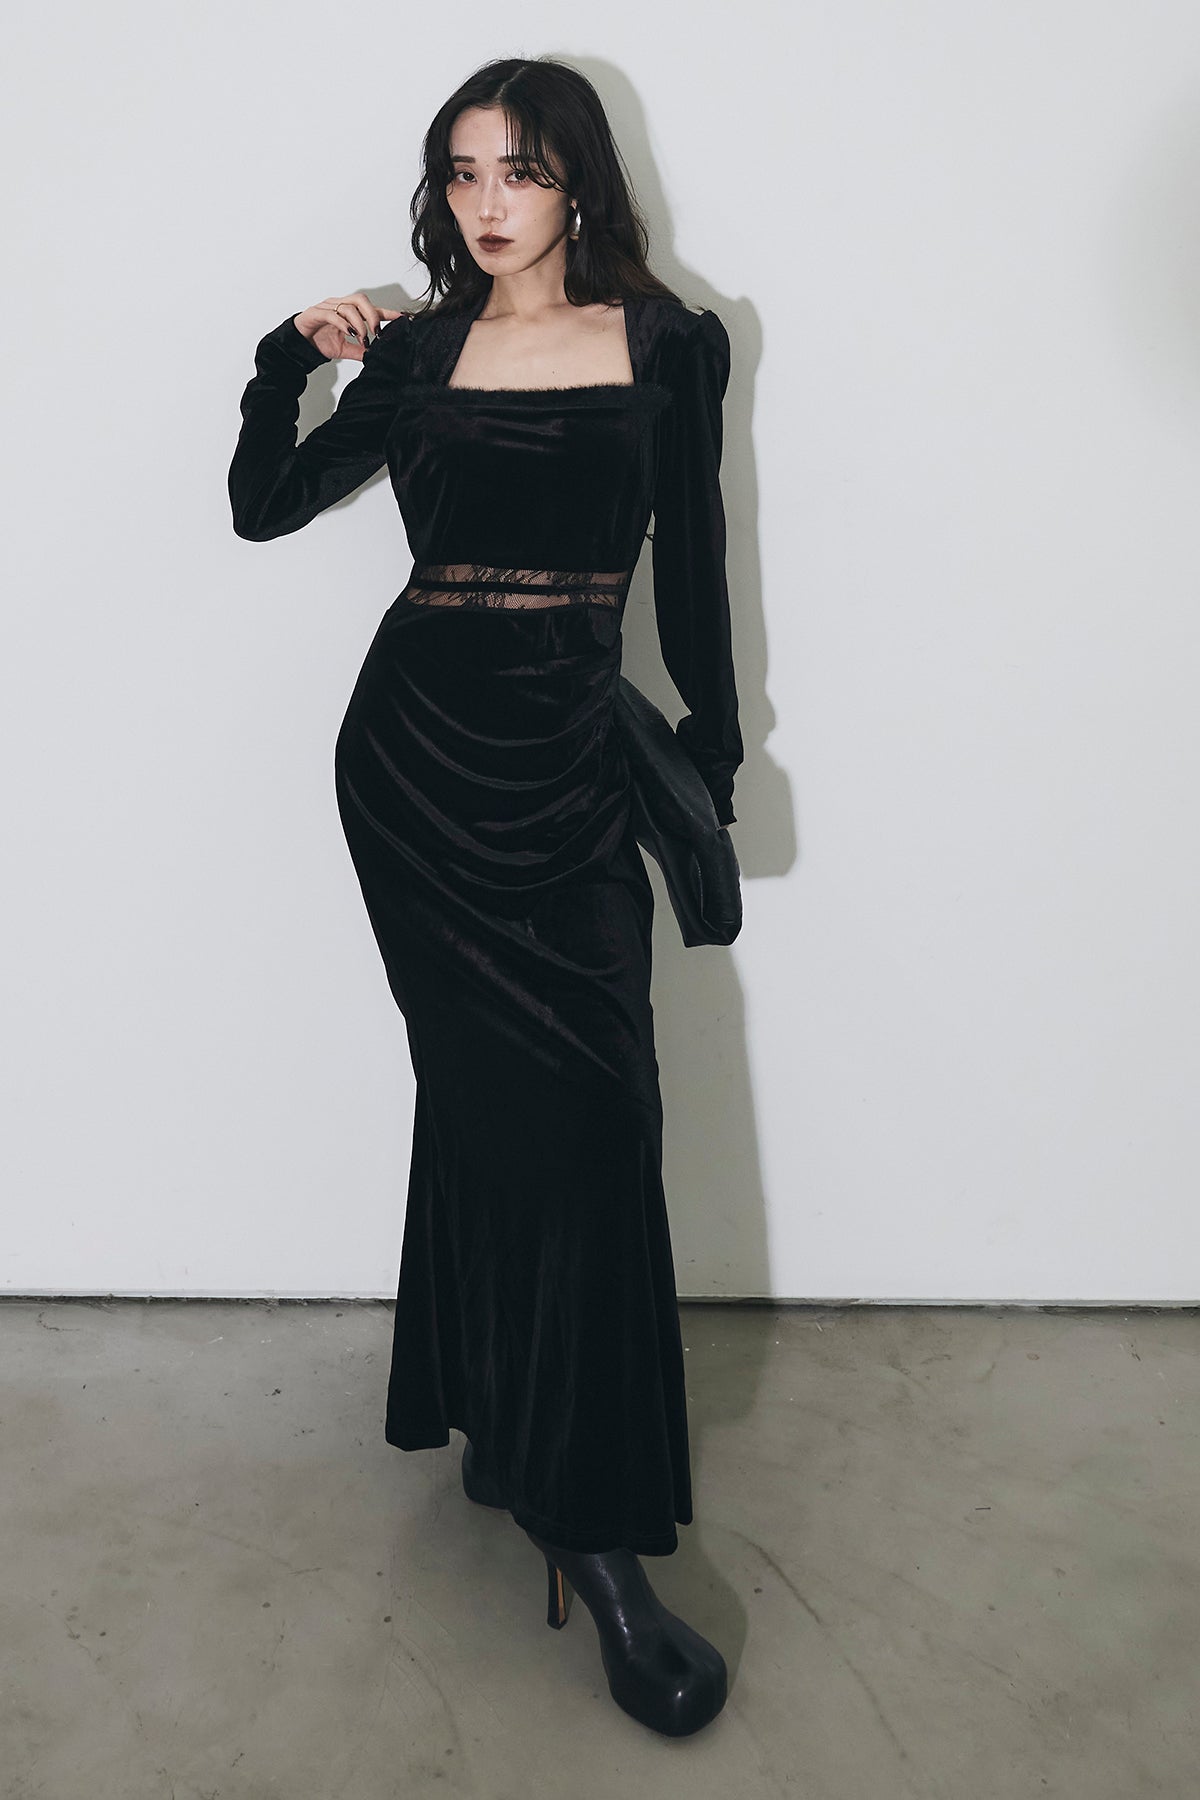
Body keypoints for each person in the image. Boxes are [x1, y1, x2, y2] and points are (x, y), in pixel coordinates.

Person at [227, 55, 742, 1737]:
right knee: (489, 1101)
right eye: (461, 173)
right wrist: (284, 362)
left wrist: (709, 772)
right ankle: (594, 1545)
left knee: (593, 1123)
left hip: (571, 769)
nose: (487, 203)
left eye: (518, 170)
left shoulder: (668, 345)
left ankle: (515, 1425)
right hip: (416, 770)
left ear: (579, 180)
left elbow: (692, 575)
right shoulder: (421, 349)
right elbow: (264, 509)